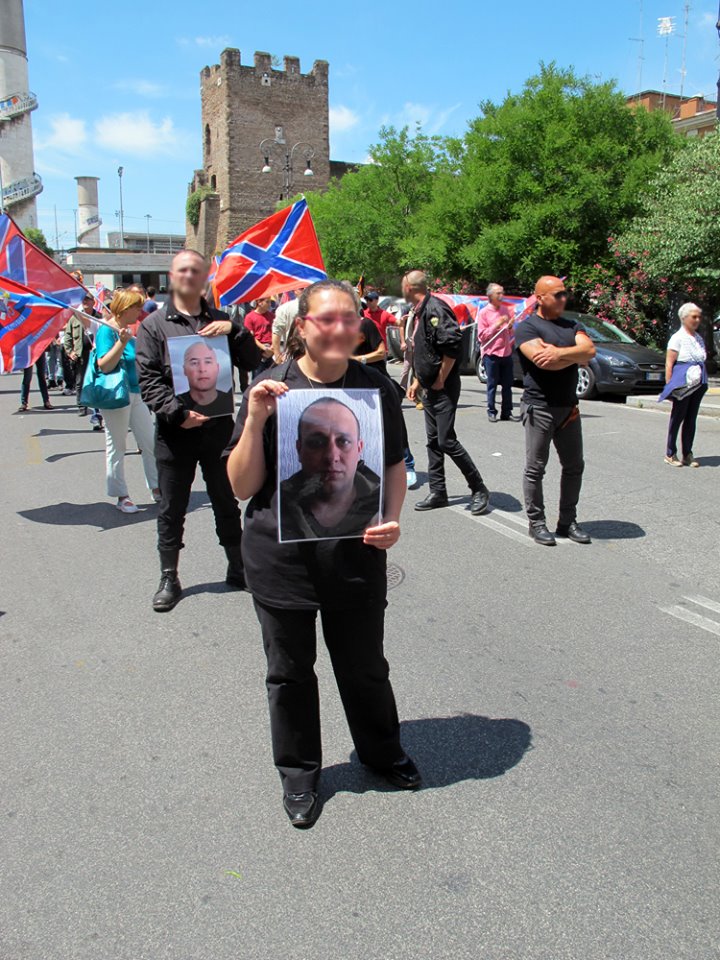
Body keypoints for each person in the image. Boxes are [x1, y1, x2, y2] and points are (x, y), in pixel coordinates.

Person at [225, 278, 421, 829]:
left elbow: (394, 465)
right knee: (289, 673)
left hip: (356, 558)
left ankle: (382, 753)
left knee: (365, 668)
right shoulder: (270, 389)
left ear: (361, 328)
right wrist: (258, 419)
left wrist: (392, 518)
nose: (339, 329)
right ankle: (300, 774)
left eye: (348, 319)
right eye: (326, 319)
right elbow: (242, 487)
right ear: (302, 328)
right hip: (281, 562)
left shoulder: (376, 390)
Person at [136, 249, 261, 612]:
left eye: (196, 270)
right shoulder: (154, 325)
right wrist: (178, 413)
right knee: (172, 507)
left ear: (207, 276)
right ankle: (168, 576)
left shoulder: (222, 320)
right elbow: (149, 381)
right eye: (182, 271)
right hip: (176, 434)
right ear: (172, 277)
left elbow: (253, 362)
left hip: (219, 431)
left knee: (226, 500)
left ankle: (238, 568)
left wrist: (235, 330)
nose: (190, 277)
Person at [515, 276, 596, 546]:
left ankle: (567, 522)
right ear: (540, 298)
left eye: (565, 294)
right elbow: (543, 362)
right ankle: (536, 523)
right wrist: (574, 354)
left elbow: (590, 351)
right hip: (539, 407)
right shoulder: (526, 328)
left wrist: (559, 353)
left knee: (574, 467)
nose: (563, 299)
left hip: (568, 408)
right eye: (557, 295)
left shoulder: (573, 324)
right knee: (535, 469)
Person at [403, 270, 490, 515]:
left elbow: (452, 345)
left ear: (410, 287)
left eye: (402, 285)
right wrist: (418, 381)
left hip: (443, 387)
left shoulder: (435, 309)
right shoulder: (421, 310)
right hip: (430, 386)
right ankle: (439, 492)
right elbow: (428, 351)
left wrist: (440, 379)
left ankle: (478, 488)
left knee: (445, 440)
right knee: (433, 442)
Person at [280, 398, 382, 541]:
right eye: (317, 443)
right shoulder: (279, 501)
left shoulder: (380, 499)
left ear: (359, 449)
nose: (331, 456)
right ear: (299, 449)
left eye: (344, 441)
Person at [95, 289, 160, 514]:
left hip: (136, 393)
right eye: (136, 307)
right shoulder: (107, 330)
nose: (140, 311)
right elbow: (104, 365)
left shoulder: (131, 329)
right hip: (116, 395)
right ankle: (122, 495)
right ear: (125, 309)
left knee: (149, 442)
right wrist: (121, 343)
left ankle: (156, 487)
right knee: (118, 445)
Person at [353, 311, 418, 488]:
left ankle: (408, 465)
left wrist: (358, 360)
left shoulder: (365, 324)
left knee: (393, 425)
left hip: (377, 383)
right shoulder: (336, 328)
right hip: (353, 386)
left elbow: (382, 352)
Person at [659, 302, 708, 467]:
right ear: (684, 318)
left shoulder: (698, 338)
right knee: (677, 417)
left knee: (691, 419)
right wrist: (669, 386)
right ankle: (670, 453)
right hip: (683, 383)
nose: (697, 320)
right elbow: (669, 363)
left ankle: (688, 453)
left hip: (698, 383)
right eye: (694, 316)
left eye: (698, 317)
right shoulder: (677, 338)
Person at [476, 283, 519, 422]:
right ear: (490, 296)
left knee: (507, 385)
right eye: (498, 293)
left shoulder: (505, 310)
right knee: (492, 384)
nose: (501, 296)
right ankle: (491, 411)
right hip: (491, 353)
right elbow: (481, 336)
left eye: (502, 293)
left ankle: (507, 411)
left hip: (506, 352)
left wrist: (510, 326)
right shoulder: (484, 313)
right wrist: (497, 324)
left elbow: (509, 332)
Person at [176, 340, 234, 418]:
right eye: (194, 363)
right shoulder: (176, 404)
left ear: (217, 368)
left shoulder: (227, 402)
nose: (202, 369)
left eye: (208, 362)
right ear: (184, 370)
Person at [64, 293, 95, 416]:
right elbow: (68, 336)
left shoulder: (99, 317)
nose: (85, 302)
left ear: (94, 302)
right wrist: (70, 352)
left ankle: (96, 404)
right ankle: (81, 406)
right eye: (84, 300)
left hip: (95, 353)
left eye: (88, 299)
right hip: (81, 354)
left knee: (95, 380)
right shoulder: (75, 317)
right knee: (80, 381)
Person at [243, 296, 275, 375]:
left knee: (272, 377)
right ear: (259, 303)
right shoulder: (250, 317)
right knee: (257, 377)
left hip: (271, 349)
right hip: (258, 351)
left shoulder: (272, 316)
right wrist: (263, 348)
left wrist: (272, 347)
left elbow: (276, 333)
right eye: (267, 302)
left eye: (270, 302)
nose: (269, 305)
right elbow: (251, 336)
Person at [271, 289, 303, 362]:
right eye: (301, 288)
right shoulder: (284, 308)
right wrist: (277, 355)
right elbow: (276, 332)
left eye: (307, 287)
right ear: (295, 290)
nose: (305, 290)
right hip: (293, 355)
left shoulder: (319, 308)